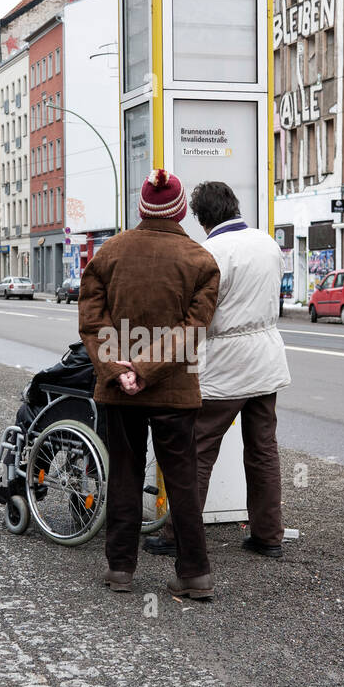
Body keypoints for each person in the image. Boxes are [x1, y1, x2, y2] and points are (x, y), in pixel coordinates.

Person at [78, 169, 220, 600]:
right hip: (175, 389)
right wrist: (148, 368)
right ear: (180, 212)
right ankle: (195, 574)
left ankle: (120, 569)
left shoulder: (108, 254)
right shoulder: (200, 260)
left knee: (123, 474)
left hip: (117, 389)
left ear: (142, 208)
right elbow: (194, 329)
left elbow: (91, 321)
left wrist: (122, 370)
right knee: (182, 480)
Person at [143, 181, 291, 559]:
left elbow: (198, 314)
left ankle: (180, 535)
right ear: (234, 206)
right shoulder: (267, 243)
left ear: (201, 217)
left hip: (226, 363)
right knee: (263, 450)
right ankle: (268, 535)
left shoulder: (208, 252)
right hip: (266, 357)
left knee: (198, 449)